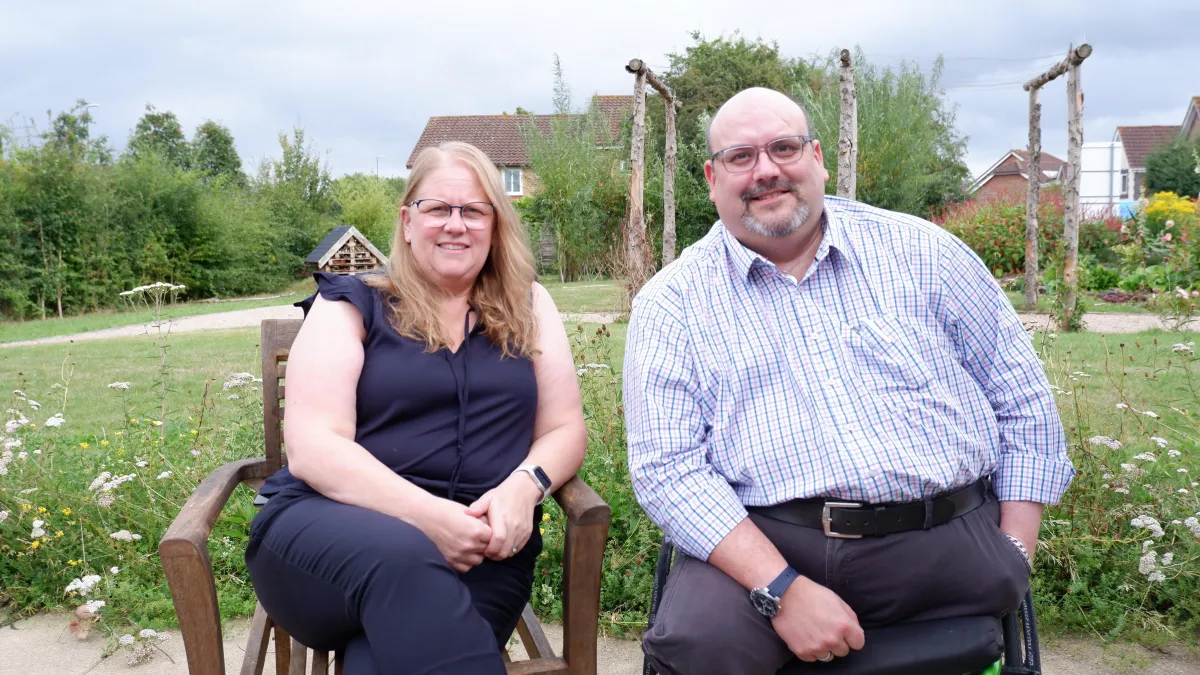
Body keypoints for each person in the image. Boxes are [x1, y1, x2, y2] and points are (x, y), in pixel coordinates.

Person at [623, 88, 1075, 675]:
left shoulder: (925, 253)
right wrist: (781, 589)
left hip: (940, 533)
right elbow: (667, 468)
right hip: (767, 540)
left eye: (784, 148)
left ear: (818, 158)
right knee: (698, 646)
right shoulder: (673, 302)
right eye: (740, 157)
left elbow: (1024, 403)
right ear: (713, 178)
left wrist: (1015, 549)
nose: (766, 171)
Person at [245, 141, 588, 675]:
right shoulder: (352, 304)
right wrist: (429, 520)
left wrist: (526, 485)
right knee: (403, 557)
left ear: (495, 225)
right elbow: (314, 446)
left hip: (480, 549)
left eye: (474, 210)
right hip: (325, 537)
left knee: (379, 663)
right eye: (438, 209)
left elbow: (565, 427)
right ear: (407, 221)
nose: (457, 224)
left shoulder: (529, 305)